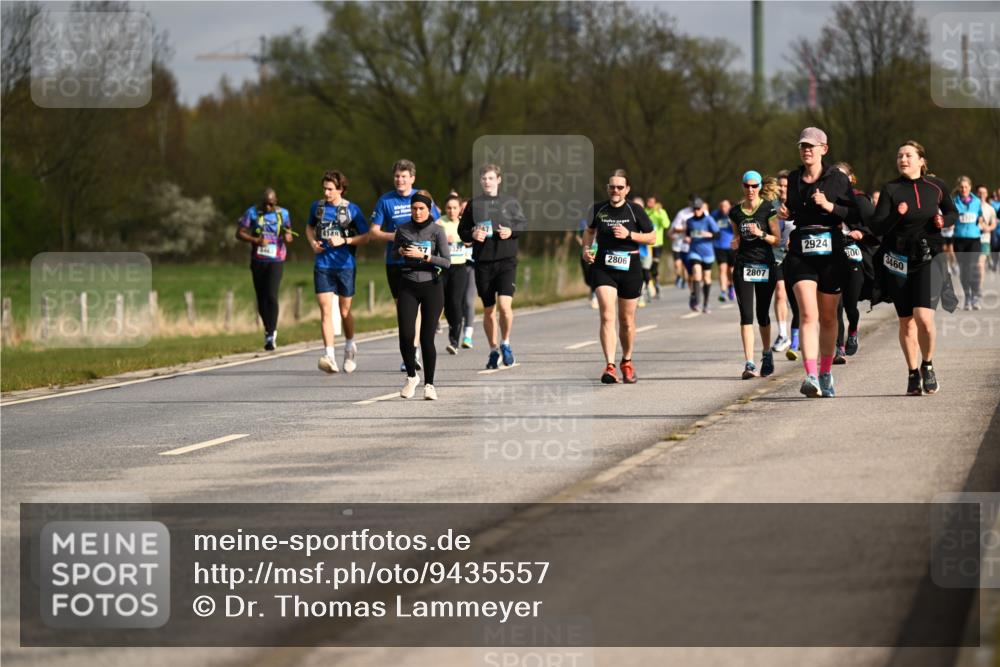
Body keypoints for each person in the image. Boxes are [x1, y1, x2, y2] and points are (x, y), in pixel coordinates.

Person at [870, 140, 958, 395]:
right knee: (906, 321)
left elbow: (953, 212)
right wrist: (896, 214)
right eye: (899, 156)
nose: (903, 159)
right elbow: (877, 227)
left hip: (929, 258)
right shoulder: (890, 189)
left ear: (921, 160)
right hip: (898, 261)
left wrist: (943, 219)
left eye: (908, 155)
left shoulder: (936, 186)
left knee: (924, 319)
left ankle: (927, 365)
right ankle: (912, 373)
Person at [779, 127, 855, 398]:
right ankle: (810, 375)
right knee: (808, 314)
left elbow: (852, 212)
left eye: (811, 146)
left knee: (829, 317)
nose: (806, 150)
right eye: (802, 146)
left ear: (824, 148)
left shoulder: (836, 179)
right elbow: (794, 210)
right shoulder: (795, 177)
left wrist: (829, 206)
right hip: (801, 250)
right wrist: (786, 211)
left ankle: (825, 372)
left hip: (831, 251)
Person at [581, 169, 656, 384]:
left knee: (627, 320)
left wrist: (630, 235)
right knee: (607, 315)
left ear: (627, 190)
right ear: (607, 189)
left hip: (630, 267)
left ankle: (627, 361)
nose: (615, 190)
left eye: (620, 187)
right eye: (612, 187)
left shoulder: (635, 211)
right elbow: (588, 231)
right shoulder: (597, 209)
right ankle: (610, 366)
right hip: (603, 266)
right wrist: (586, 249)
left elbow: (652, 237)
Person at [368, 159, 440, 371]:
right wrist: (397, 237)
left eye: (404, 176)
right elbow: (373, 231)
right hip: (395, 261)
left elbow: (436, 225)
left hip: (421, 261)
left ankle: (414, 350)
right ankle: (408, 349)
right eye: (397, 176)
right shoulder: (385, 200)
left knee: (417, 306)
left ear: (412, 178)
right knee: (403, 308)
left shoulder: (423, 198)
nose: (400, 180)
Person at [458, 163, 528, 369]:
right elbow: (462, 229)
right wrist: (472, 234)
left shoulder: (510, 202)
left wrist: (511, 231)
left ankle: (506, 343)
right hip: (483, 263)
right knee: (489, 311)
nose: (487, 182)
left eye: (490, 178)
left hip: (506, 262)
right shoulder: (474, 204)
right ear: (480, 182)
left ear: (498, 180)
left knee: (505, 308)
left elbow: (522, 224)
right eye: (483, 179)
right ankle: (493, 349)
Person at [306, 171, 369, 373]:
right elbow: (309, 227)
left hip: (345, 266)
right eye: (324, 188)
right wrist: (313, 243)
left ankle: (350, 346)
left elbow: (366, 236)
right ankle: (329, 356)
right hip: (323, 265)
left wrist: (345, 240)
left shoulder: (352, 210)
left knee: (344, 311)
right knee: (325, 310)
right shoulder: (317, 207)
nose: (326, 192)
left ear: (340, 189)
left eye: (330, 189)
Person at [394, 190, 451, 399]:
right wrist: (400, 252)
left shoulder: (437, 231)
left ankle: (429, 384)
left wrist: (425, 256)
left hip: (432, 286)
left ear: (429, 210)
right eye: (414, 208)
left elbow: (446, 262)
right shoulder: (402, 229)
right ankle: (411, 377)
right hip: (408, 284)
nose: (417, 212)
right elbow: (394, 251)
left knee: (427, 338)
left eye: (421, 209)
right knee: (406, 335)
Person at [730, 171, 781, 379]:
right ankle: (749, 363)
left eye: (754, 186)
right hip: (743, 266)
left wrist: (761, 233)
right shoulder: (735, 212)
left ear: (760, 186)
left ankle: (767, 353)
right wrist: (735, 242)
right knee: (746, 315)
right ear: (742, 187)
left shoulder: (768, 209)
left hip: (764, 265)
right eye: (746, 186)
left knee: (762, 313)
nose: (750, 190)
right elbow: (736, 236)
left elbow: (777, 240)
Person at [236, 188, 294, 351]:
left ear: (276, 202)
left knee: (271, 295)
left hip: (276, 259)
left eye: (270, 204)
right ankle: (268, 330)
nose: (267, 207)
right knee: (261, 298)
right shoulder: (252, 213)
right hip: (258, 260)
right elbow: (239, 233)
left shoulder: (283, 213)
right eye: (265, 204)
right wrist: (255, 239)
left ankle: (272, 333)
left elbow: (288, 229)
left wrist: (288, 235)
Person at [832, 162, 876, 363]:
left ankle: (852, 330)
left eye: (842, 176)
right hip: (831, 256)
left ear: (851, 178)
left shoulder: (860, 199)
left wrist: (861, 233)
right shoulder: (825, 201)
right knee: (834, 306)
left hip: (854, 256)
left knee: (850, 306)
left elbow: (875, 227)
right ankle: (839, 348)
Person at [437, 194, 471, 354]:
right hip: (443, 268)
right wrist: (443, 239)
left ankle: (454, 340)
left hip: (459, 267)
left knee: (455, 303)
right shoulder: (439, 222)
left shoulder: (465, 224)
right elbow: (430, 240)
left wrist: (463, 239)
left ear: (460, 209)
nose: (452, 211)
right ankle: (451, 325)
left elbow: (471, 240)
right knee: (443, 303)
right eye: (449, 208)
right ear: (445, 209)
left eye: (455, 208)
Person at [769, 171, 796, 356]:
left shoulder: (799, 203)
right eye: (780, 186)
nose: (783, 189)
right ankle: (783, 334)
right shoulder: (772, 206)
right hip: (778, 256)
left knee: (799, 301)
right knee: (780, 293)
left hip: (799, 257)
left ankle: (798, 335)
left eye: (786, 186)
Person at [952, 176, 986, 310]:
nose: (964, 189)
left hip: (974, 239)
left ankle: (975, 296)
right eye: (961, 187)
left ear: (970, 187)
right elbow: (951, 218)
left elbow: (980, 215)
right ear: (958, 188)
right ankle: (967, 296)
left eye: (966, 187)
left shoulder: (977, 201)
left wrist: (982, 224)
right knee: (963, 270)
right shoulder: (954, 202)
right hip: (959, 240)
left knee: (972, 267)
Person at [684, 198, 719, 313]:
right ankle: (696, 299)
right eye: (694, 209)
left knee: (707, 278)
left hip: (708, 253)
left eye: (698, 208)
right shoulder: (689, 221)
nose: (696, 211)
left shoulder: (709, 220)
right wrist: (687, 238)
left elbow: (717, 234)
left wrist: (709, 234)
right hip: (694, 251)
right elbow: (688, 233)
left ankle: (706, 303)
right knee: (696, 273)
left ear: (702, 208)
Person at [645, 195, 671, 297]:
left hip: (657, 243)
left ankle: (656, 284)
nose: (650, 203)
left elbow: (666, 225)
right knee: (646, 266)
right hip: (646, 244)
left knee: (654, 266)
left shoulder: (661, 212)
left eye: (652, 202)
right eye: (648, 201)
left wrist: (659, 213)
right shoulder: (644, 211)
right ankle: (649, 286)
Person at [670, 196, 697, 288]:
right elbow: (675, 228)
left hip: (691, 244)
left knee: (686, 265)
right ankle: (679, 276)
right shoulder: (682, 213)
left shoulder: (703, 212)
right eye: (692, 202)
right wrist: (686, 229)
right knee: (678, 264)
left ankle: (685, 280)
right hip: (678, 242)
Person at [712, 199, 735, 302]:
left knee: (731, 270)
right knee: (722, 269)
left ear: (730, 206)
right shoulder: (715, 215)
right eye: (721, 206)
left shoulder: (734, 214)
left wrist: (732, 221)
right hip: (719, 246)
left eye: (725, 206)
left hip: (732, 246)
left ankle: (731, 287)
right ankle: (723, 292)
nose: (723, 208)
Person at [976, 184, 998, 284]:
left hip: (985, 240)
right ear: (976, 193)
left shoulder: (991, 209)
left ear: (987, 194)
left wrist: (988, 228)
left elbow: (993, 224)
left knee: (980, 264)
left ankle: (978, 291)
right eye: (980, 193)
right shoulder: (972, 206)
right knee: (972, 266)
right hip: (972, 240)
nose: (982, 195)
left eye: (984, 193)